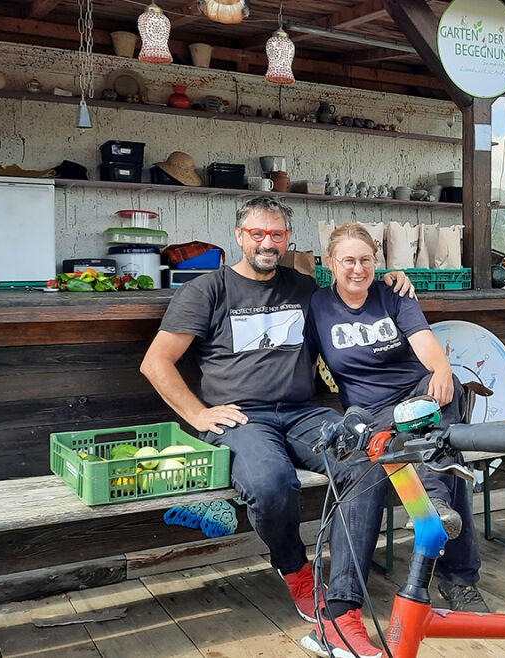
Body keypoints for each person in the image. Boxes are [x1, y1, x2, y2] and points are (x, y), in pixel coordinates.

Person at [141, 198, 412, 658]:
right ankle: (294, 567)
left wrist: (390, 279)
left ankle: (343, 613)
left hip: (302, 411)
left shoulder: (306, 287)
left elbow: (354, 285)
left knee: (367, 465)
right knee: (269, 484)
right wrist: (198, 414)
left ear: (288, 238)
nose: (268, 243)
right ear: (240, 236)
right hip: (241, 417)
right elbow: (156, 362)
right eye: (258, 234)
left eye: (277, 234)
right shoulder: (208, 289)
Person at [309, 222, 489, 614]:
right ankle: (459, 579)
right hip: (372, 416)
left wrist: (441, 369)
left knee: (446, 393)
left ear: (377, 261)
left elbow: (424, 342)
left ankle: (439, 513)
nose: (358, 269)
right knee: (446, 454)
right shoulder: (317, 304)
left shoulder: (393, 293)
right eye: (348, 261)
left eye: (366, 260)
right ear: (330, 263)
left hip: (418, 398)